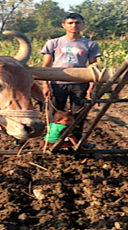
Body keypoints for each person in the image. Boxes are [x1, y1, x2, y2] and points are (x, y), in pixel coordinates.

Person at [41, 13, 101, 144]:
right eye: (70, 23)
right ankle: (52, 141)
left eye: (77, 23)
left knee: (78, 115)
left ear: (83, 25)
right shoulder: (53, 43)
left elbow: (93, 67)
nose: (74, 25)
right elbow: (46, 66)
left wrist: (91, 87)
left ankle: (76, 142)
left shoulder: (90, 44)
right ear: (64, 25)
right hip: (57, 83)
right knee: (55, 114)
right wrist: (45, 85)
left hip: (80, 84)